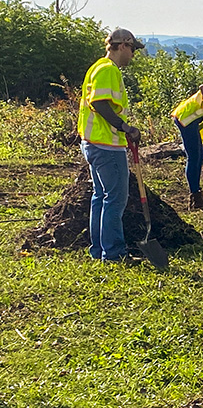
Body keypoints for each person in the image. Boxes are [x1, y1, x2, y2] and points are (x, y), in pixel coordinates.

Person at [77, 28, 144, 262]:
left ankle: (99, 250)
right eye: (133, 49)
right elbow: (100, 103)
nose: (133, 55)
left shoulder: (98, 66)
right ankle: (114, 253)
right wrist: (125, 128)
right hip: (105, 145)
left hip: (94, 142)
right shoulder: (107, 69)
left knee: (101, 197)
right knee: (115, 199)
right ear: (123, 45)